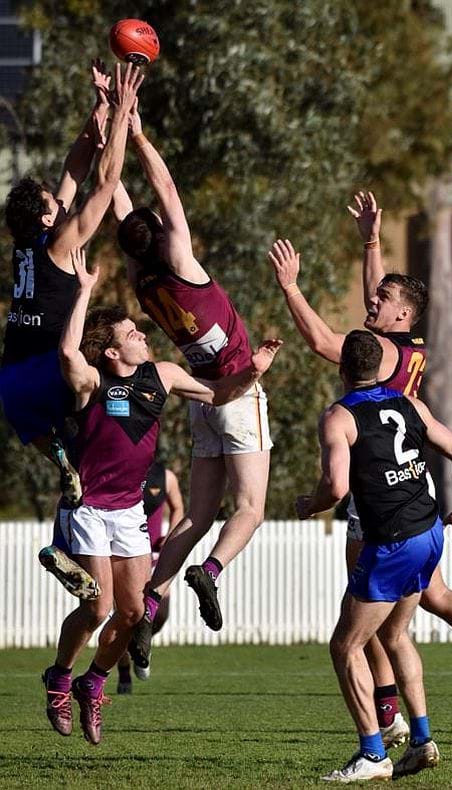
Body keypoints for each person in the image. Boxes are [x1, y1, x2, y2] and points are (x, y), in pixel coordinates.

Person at [266, 190, 452, 736]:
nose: (373, 300)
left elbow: (321, 340)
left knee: (372, 623)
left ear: (403, 313)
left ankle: (387, 721)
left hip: (378, 495)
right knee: (429, 597)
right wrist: (370, 240)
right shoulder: (406, 346)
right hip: (416, 490)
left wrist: (290, 287)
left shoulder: (378, 352)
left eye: (384, 298)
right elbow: (376, 298)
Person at [41, 250, 280, 744]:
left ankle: (94, 682)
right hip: (89, 507)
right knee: (97, 607)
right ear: (110, 353)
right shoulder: (91, 383)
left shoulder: (164, 375)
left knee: (131, 614)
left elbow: (217, 394)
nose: (143, 335)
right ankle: (61, 678)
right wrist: (84, 290)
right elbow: (68, 353)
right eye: (132, 334)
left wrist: (253, 371)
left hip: (130, 511)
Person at [109, 96, 273, 662]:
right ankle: (210, 570)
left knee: (197, 513)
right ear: (161, 233)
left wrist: (107, 134)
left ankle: (152, 603)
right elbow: (167, 192)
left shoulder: (142, 278)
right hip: (235, 389)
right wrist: (136, 134)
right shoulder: (179, 261)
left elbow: (124, 213)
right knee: (250, 507)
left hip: (198, 401)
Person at [297, 330, 452, 781]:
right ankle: (420, 741)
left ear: (342, 369)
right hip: (429, 532)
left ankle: (373, 754)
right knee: (395, 637)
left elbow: (336, 488)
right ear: (381, 368)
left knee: (345, 644)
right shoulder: (410, 404)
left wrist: (309, 504)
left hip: (391, 540)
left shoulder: (338, 417)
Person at [4, 61, 144, 601]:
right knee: (97, 436)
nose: (59, 205)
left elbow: (74, 164)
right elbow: (104, 181)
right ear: (46, 219)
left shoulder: (26, 246)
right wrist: (126, 110)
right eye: (52, 205)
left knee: (69, 461)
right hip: (51, 368)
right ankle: (68, 526)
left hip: (11, 380)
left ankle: (58, 543)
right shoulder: (62, 246)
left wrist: (100, 108)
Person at [116, 460, 184, 694]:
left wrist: (171, 535)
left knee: (161, 613)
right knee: (128, 617)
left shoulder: (166, 477)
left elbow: (178, 508)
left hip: (155, 554)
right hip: (126, 553)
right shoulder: (120, 470)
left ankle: (141, 644)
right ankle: (124, 672)